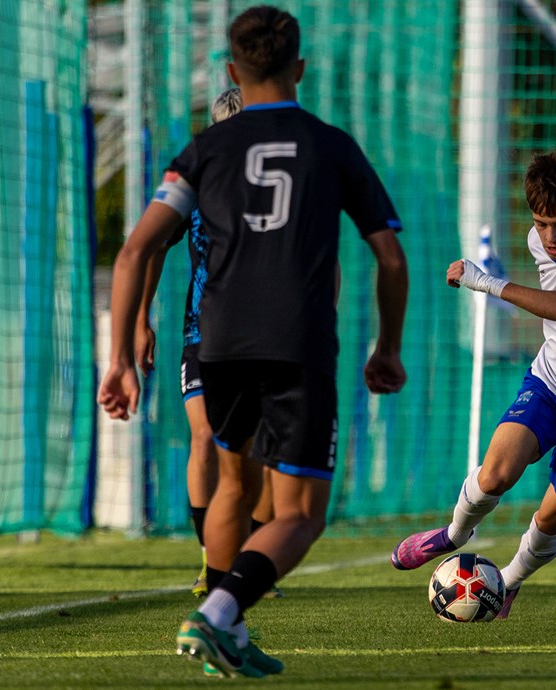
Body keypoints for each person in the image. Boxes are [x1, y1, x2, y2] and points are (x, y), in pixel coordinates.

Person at [98, 5, 408, 678]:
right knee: (298, 516)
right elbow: (389, 258)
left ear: (234, 70)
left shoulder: (204, 150)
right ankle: (215, 616)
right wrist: (386, 347)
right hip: (296, 341)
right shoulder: (330, 145)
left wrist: (121, 357)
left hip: (216, 342)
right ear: (300, 68)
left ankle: (226, 627)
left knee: (233, 484)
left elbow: (132, 253)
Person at [390, 151, 556, 619]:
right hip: (552, 381)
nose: (550, 237)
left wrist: (485, 282)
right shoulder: (538, 240)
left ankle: (506, 583)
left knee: (553, 518)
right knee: (496, 473)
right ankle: (452, 535)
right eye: (542, 223)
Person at [136, 87, 280, 599]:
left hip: (265, 336)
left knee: (255, 450)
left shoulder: (276, 190)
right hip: (202, 334)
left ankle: (251, 560)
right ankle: (211, 563)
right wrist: (140, 320)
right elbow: (149, 244)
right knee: (205, 439)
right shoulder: (194, 183)